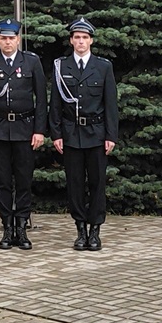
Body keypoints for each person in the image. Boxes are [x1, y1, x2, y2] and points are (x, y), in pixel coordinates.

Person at [0, 18, 47, 250]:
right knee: (2, 181)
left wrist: (39, 130)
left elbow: (41, 100)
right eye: (3, 38)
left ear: (18, 39)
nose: (8, 42)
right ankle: (7, 227)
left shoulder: (32, 62)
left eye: (12, 38)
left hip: (25, 129)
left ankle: (22, 228)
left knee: (24, 180)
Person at [50, 18, 118, 251]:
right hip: (71, 134)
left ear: (91, 41)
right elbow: (55, 104)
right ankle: (80, 229)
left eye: (84, 37)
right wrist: (56, 133)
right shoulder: (61, 66)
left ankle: (95, 230)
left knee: (97, 183)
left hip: (97, 133)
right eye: (76, 37)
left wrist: (111, 136)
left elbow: (110, 104)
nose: (81, 41)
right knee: (75, 183)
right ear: (71, 41)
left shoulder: (103, 67)